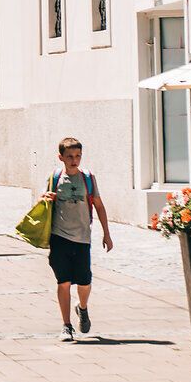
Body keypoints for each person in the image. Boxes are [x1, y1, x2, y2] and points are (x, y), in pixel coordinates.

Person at [49, 135, 112, 341]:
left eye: (78, 156)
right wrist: (44, 198)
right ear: (61, 157)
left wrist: (107, 234)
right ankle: (66, 326)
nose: (74, 160)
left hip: (83, 237)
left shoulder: (88, 178)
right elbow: (44, 203)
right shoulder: (55, 178)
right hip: (59, 237)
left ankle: (82, 307)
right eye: (70, 156)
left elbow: (99, 206)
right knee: (63, 282)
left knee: (84, 283)